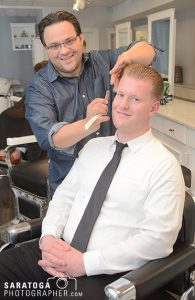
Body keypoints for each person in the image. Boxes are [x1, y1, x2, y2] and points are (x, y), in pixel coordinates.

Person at [0, 64, 185, 300]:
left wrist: (85, 263)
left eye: (135, 98)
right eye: (119, 94)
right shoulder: (93, 147)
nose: (122, 104)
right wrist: (48, 239)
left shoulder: (164, 166)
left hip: (109, 272)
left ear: (154, 107)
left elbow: (157, 240)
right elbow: (64, 197)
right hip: (59, 250)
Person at [25, 10, 157, 194]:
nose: (64, 51)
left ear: (81, 39)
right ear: (46, 49)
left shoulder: (103, 61)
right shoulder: (39, 87)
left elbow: (149, 51)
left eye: (69, 41)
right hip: (71, 183)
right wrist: (87, 123)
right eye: (54, 46)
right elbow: (52, 139)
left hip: (117, 177)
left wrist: (128, 58)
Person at [0, 60, 48, 164]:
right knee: (5, 115)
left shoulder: (54, 87)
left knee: (31, 119)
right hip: (25, 108)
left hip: (40, 111)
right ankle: (3, 150)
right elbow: (25, 100)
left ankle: (19, 151)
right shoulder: (36, 85)